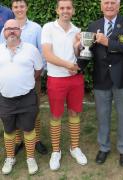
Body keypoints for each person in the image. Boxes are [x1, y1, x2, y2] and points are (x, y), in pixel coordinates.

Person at [88, 0, 123, 167]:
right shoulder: (93, 25)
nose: (109, 6)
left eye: (113, 3)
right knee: (102, 114)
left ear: (119, 5)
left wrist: (107, 42)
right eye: (106, 3)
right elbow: (88, 51)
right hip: (101, 76)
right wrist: (77, 48)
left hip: (122, 76)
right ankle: (104, 147)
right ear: (101, 5)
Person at [41, 0, 87, 171]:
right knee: (55, 115)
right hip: (56, 78)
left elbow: (79, 54)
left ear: (73, 11)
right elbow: (47, 54)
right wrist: (68, 65)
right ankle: (56, 151)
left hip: (75, 78)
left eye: (68, 8)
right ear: (57, 10)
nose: (65, 10)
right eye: (62, 8)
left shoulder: (78, 31)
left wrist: (77, 46)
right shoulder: (48, 27)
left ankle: (74, 147)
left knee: (74, 112)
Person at [0, 19, 43, 175]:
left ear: (21, 31)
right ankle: (10, 157)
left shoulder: (31, 49)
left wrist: (24, 81)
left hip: (27, 98)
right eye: (8, 29)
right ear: (4, 32)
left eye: (15, 28)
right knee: (9, 130)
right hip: (5, 99)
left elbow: (38, 69)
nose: (12, 31)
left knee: (29, 129)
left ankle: (30, 158)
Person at [4, 0, 47, 156]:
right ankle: (17, 141)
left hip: (33, 78)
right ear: (12, 9)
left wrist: (38, 75)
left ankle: (35, 140)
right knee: (13, 112)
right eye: (16, 6)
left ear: (27, 7)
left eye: (22, 6)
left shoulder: (36, 28)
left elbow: (42, 53)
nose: (19, 9)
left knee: (33, 110)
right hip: (13, 80)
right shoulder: (5, 28)